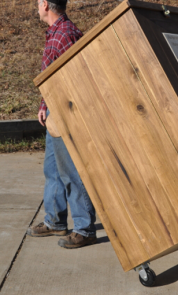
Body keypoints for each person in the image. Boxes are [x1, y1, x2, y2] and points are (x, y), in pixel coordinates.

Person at [27, 0, 97, 249]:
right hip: (54, 115)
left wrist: (61, 112)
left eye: (38, 2)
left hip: (66, 116)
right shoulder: (55, 33)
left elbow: (73, 78)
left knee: (71, 173)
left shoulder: (65, 34)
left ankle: (85, 228)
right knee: (53, 172)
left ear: (46, 4)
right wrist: (45, 106)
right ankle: (56, 221)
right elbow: (53, 78)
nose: (36, 6)